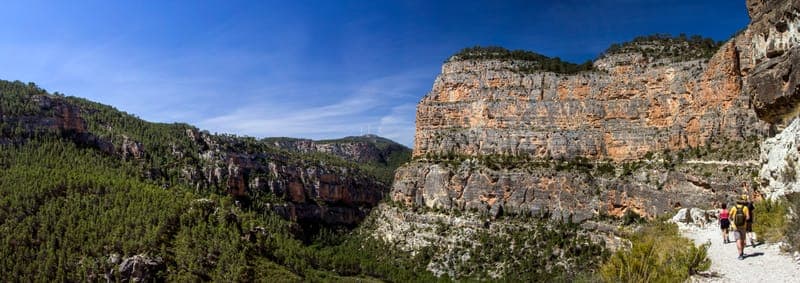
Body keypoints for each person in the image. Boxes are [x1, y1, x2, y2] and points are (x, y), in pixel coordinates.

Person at [729, 195, 751, 260]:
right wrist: (744, 219)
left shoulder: (733, 208)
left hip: (735, 226)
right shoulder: (745, 208)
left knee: (738, 240)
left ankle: (740, 254)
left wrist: (732, 222)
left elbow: (730, 217)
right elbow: (748, 217)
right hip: (743, 226)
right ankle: (742, 251)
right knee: (743, 240)